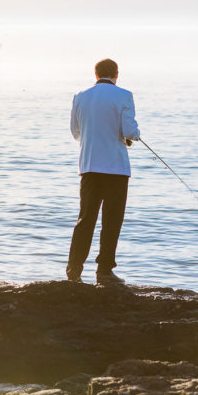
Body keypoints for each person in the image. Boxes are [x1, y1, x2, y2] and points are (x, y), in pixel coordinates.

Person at [66, 58, 141, 285]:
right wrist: (133, 136)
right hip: (116, 168)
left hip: (88, 166)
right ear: (116, 74)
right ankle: (104, 272)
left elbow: (75, 131)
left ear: (96, 74)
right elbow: (129, 131)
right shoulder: (124, 95)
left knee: (85, 219)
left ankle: (74, 271)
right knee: (112, 220)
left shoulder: (80, 96)